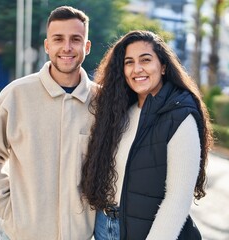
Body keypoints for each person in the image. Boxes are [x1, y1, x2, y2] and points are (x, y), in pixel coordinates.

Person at [0, 6, 97, 240]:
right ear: (47, 45)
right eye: (58, 39)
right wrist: (8, 209)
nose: (67, 47)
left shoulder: (101, 102)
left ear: (87, 47)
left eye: (76, 39)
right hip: (23, 234)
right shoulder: (16, 95)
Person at [80, 30, 213, 240]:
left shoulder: (180, 116)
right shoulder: (119, 113)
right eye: (129, 62)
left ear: (163, 67)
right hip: (105, 228)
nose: (137, 69)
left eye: (146, 60)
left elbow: (178, 198)